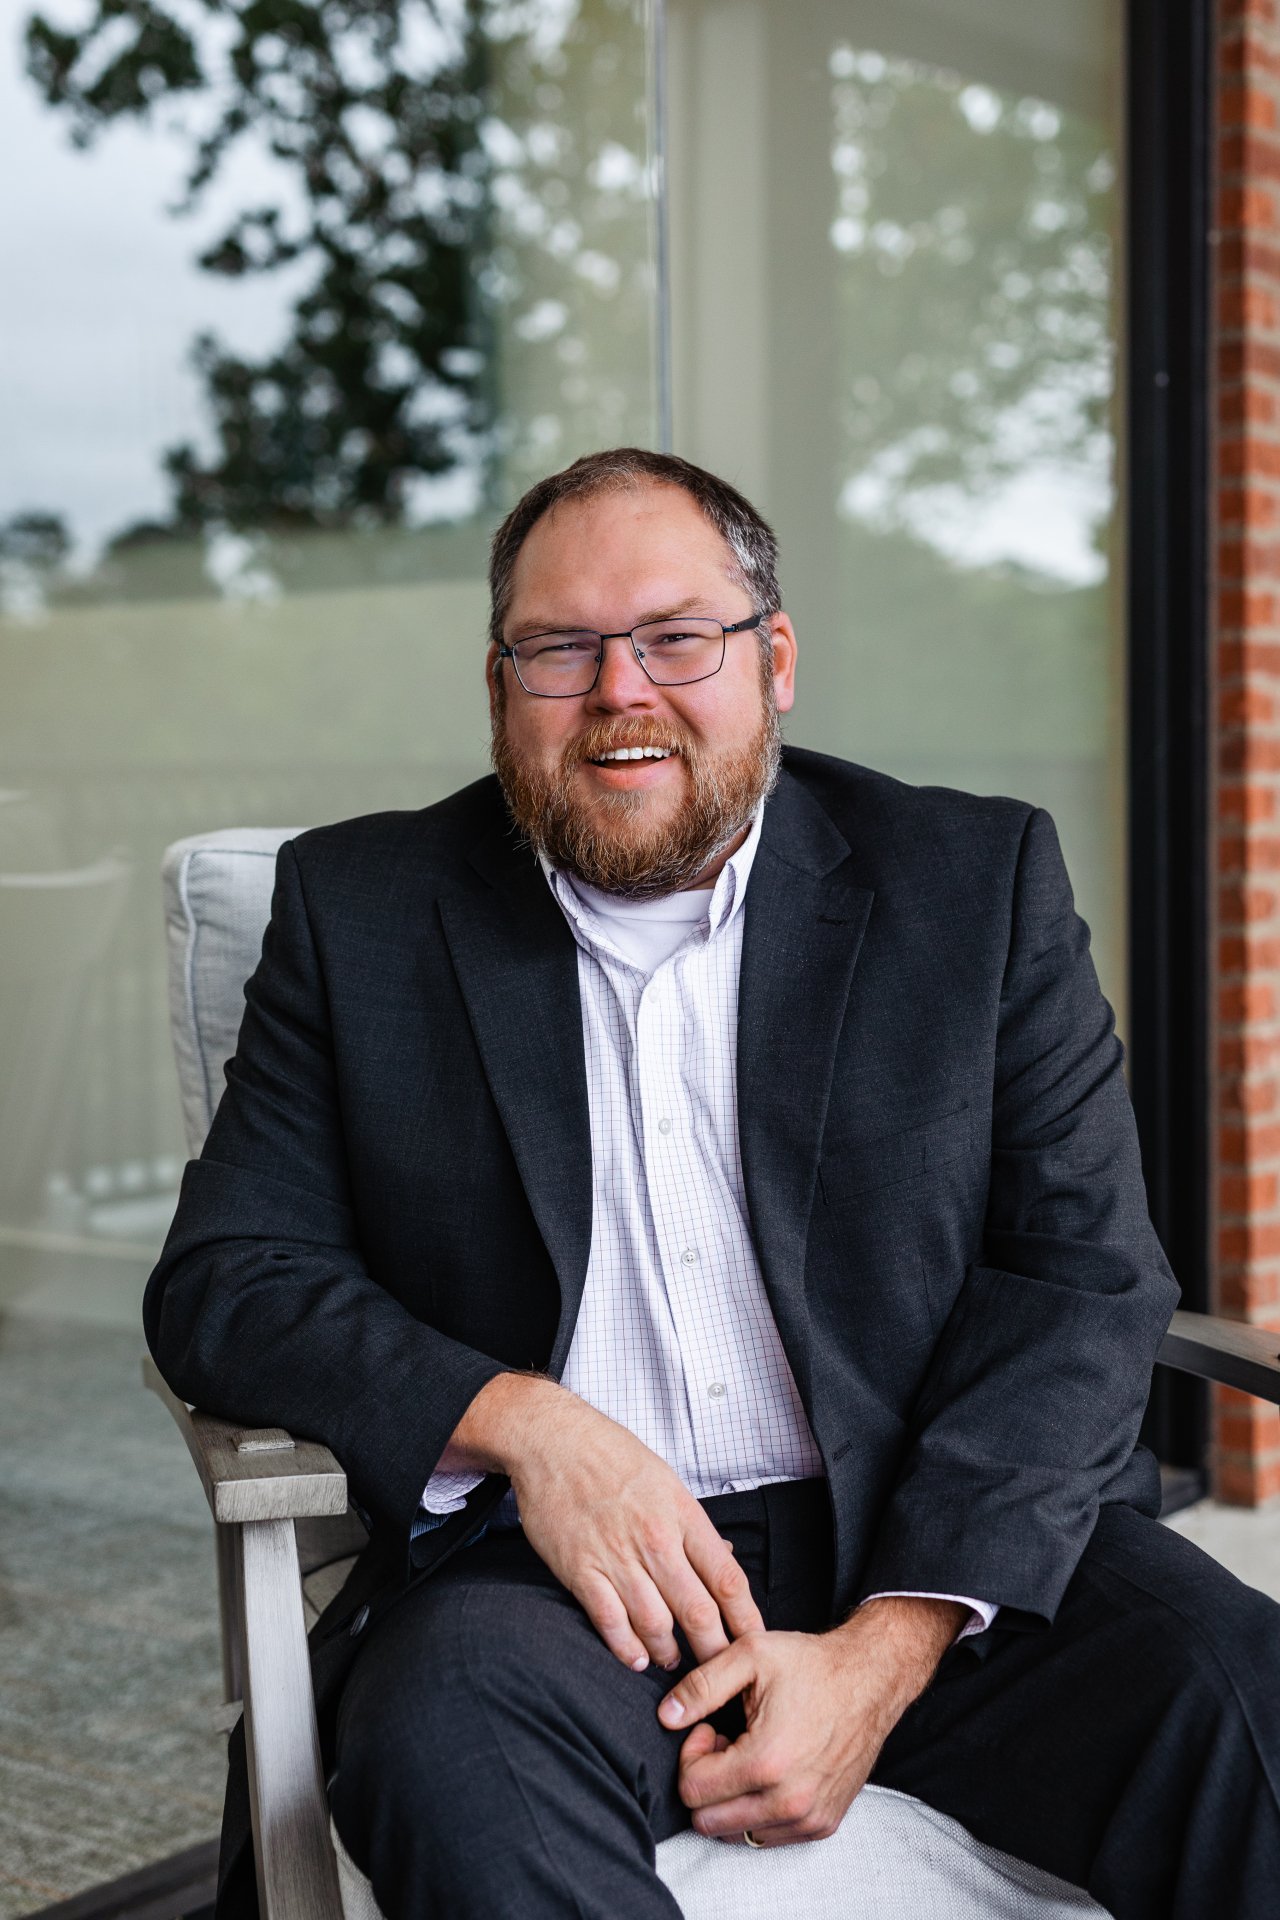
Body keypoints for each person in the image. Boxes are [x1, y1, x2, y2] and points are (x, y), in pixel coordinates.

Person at [145, 448, 1280, 1920]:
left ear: (774, 660)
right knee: (452, 1749)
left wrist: (887, 1651)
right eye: (562, 647)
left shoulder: (971, 883)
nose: (621, 690)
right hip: (553, 1585)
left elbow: (1082, 1278)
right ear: (501, 687)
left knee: (1249, 1709)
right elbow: (229, 1277)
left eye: (677, 636)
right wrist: (528, 1427)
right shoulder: (363, 912)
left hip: (929, 1543)